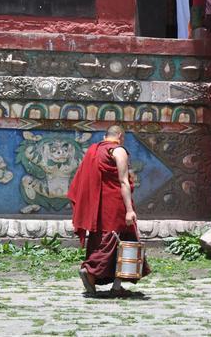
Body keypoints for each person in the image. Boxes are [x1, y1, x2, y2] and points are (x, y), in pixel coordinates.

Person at [67, 125, 150, 295]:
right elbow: (123, 181)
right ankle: (91, 271)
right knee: (122, 241)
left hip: (99, 205)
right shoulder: (118, 151)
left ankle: (112, 284)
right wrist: (129, 210)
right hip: (116, 204)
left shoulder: (93, 151)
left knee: (102, 239)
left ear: (105, 136)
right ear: (120, 136)